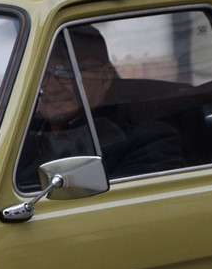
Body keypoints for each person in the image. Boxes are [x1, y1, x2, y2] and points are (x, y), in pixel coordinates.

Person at [16, 26, 186, 190]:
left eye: (66, 72)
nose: (51, 87)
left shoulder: (147, 139)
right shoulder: (19, 134)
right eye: (42, 75)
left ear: (104, 76)